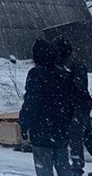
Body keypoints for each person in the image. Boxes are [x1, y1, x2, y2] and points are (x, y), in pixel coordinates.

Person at [21, 38, 75, 176]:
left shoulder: (36, 74)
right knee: (63, 166)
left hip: (41, 130)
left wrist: (24, 123)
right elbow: (70, 103)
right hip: (60, 129)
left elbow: (31, 102)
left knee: (44, 169)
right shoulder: (63, 74)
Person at [53, 36, 90, 176]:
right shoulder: (72, 65)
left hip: (77, 107)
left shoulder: (70, 67)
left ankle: (76, 168)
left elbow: (78, 88)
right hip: (80, 106)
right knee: (86, 135)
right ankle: (76, 167)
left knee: (76, 136)